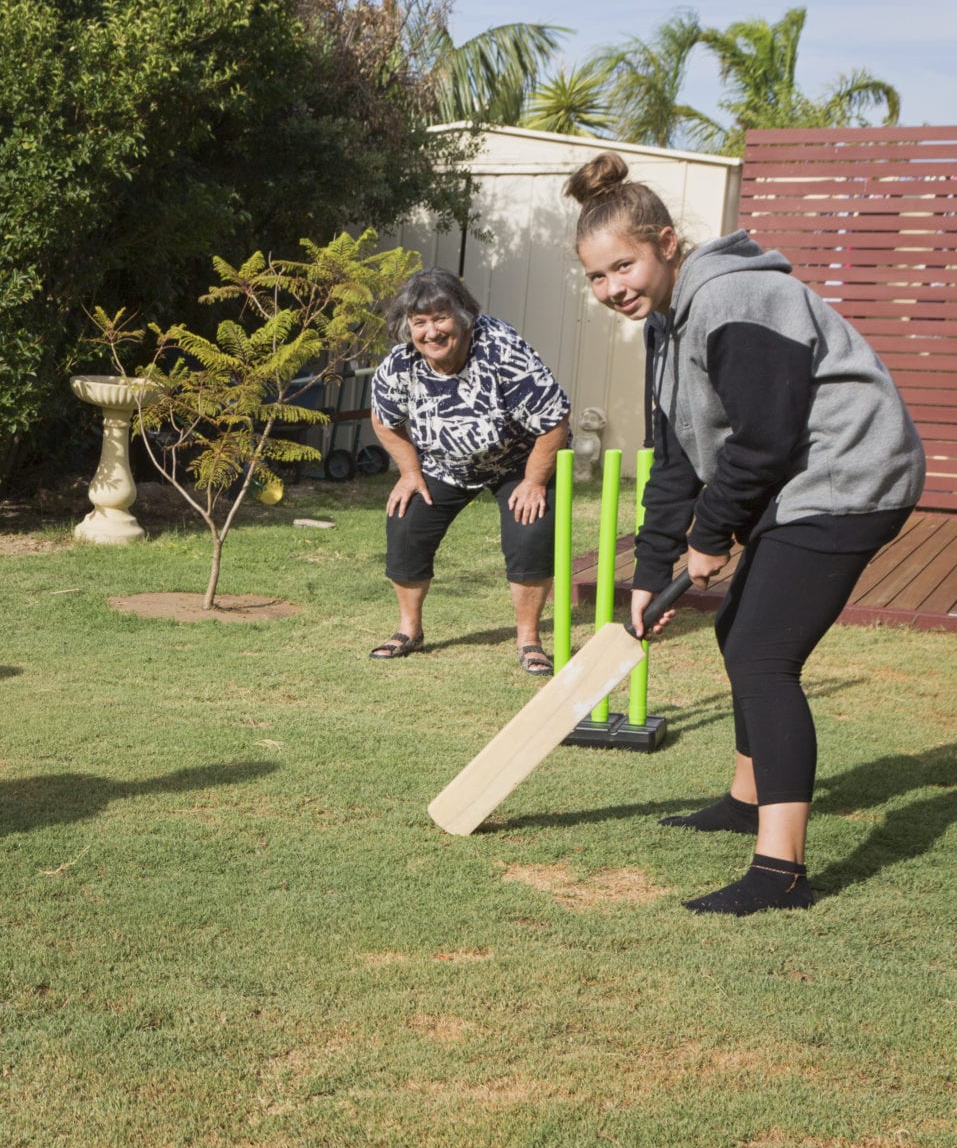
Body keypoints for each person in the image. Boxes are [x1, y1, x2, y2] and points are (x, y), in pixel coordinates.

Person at [572, 151, 926, 915]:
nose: (612, 289)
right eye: (597, 277)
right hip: (803, 477)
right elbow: (675, 459)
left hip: (851, 473)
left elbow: (764, 434)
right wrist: (652, 569)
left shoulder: (736, 295)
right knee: (740, 630)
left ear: (666, 242)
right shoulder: (665, 327)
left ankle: (780, 872)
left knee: (765, 653)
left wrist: (712, 535)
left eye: (623, 266)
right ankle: (745, 798)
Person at [365, 269, 573, 671]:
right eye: (419, 322)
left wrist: (533, 482)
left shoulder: (501, 348)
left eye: (441, 317)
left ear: (464, 315)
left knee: (529, 532)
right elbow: (384, 420)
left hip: (518, 459)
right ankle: (409, 629)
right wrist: (410, 472)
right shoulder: (401, 362)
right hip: (444, 463)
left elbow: (554, 420)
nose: (431, 332)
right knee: (405, 523)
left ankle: (529, 640)